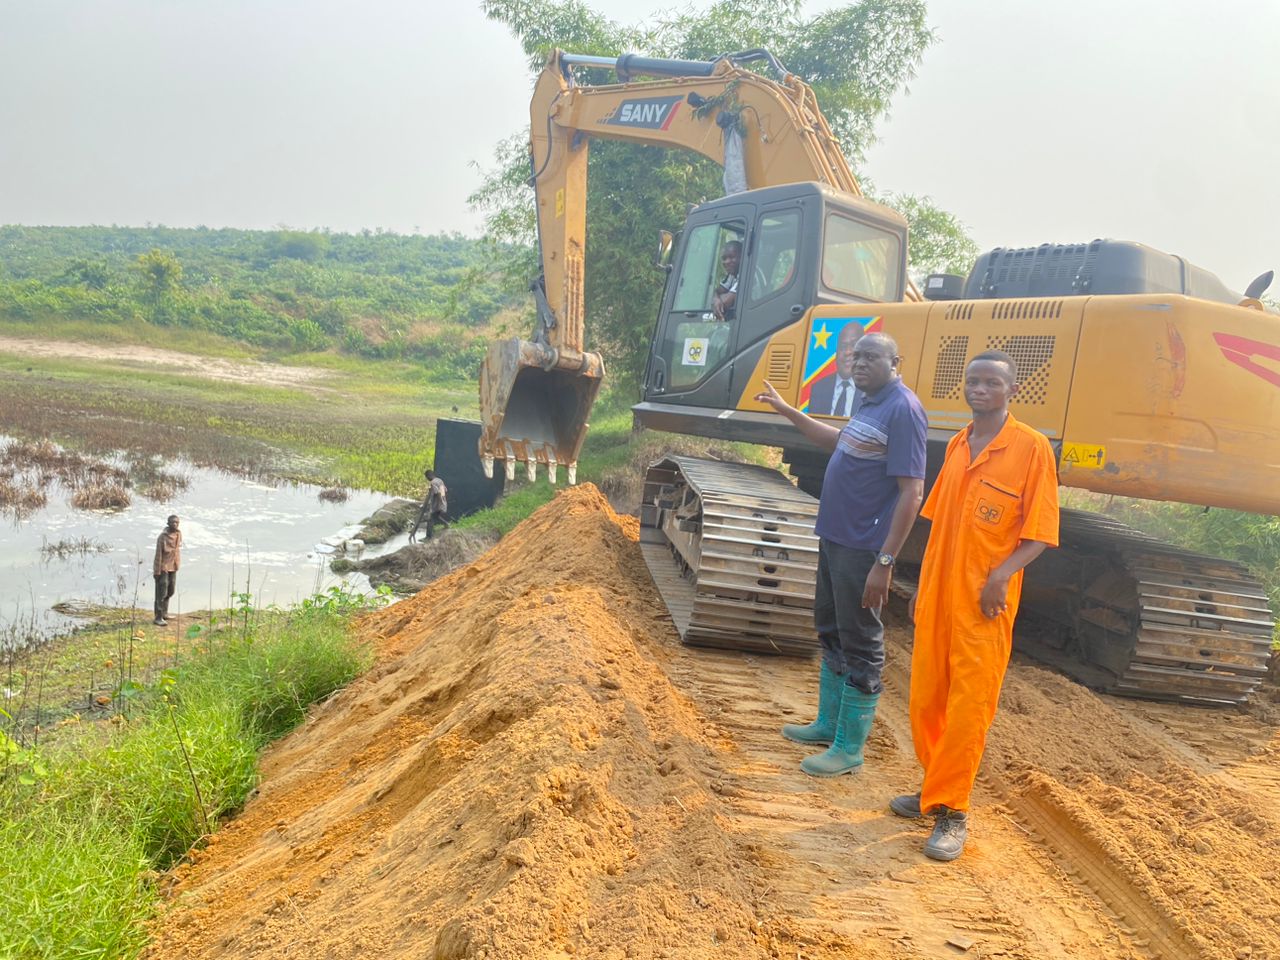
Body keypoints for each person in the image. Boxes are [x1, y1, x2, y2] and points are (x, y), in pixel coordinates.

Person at [890, 350, 1059, 862]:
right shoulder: (961, 443)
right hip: (940, 595)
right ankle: (932, 788)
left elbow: (1041, 533)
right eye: (974, 381)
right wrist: (922, 582)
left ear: (1012, 391)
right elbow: (939, 523)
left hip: (984, 605)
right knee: (926, 699)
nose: (980, 389)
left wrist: (1001, 576)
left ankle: (953, 811)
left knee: (968, 708)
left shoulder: (1030, 449)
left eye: (992, 382)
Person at [754, 332, 927, 777]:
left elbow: (912, 492)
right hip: (834, 537)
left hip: (863, 545)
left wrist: (885, 561)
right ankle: (829, 724)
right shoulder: (869, 402)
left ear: (896, 361)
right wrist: (788, 411)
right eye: (856, 356)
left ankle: (849, 748)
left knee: (861, 639)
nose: (860, 362)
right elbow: (839, 442)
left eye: (872, 356)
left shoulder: (903, 409)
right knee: (830, 627)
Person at [809, 323, 863, 417]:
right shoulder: (818, 388)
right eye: (843, 347)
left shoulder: (871, 392)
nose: (847, 352)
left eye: (853, 346)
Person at [152, 514, 181, 626]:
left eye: (177, 522)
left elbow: (177, 549)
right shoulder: (162, 537)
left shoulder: (178, 534)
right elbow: (158, 555)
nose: (175, 524)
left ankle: (164, 613)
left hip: (173, 566)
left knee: (171, 590)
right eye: (173, 522)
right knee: (161, 592)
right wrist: (157, 571)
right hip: (163, 567)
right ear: (168, 523)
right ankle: (158, 617)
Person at [408, 469, 449, 543]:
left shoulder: (433, 482)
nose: (427, 479)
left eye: (427, 477)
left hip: (438, 504)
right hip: (442, 503)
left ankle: (428, 537)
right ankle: (446, 524)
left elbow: (438, 493)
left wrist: (438, 503)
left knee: (430, 519)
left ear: (429, 476)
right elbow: (444, 491)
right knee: (436, 517)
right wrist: (442, 501)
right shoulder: (439, 480)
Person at [711, 240, 741, 321]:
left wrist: (717, 300)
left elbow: (725, 303)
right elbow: (717, 291)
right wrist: (716, 299)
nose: (727, 262)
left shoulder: (748, 273)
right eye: (724, 258)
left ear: (741, 257)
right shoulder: (732, 274)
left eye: (732, 257)